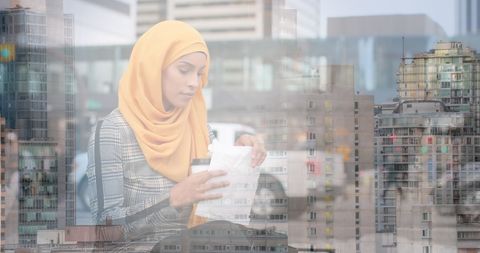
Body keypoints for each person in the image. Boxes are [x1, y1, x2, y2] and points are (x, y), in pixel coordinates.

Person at [86, 20, 266, 244]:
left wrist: (238, 159)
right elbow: (106, 229)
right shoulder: (112, 131)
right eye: (184, 70)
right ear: (154, 67)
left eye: (200, 74)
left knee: (271, 242)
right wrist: (171, 200)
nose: (194, 83)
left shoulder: (198, 127)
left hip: (198, 244)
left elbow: (217, 200)